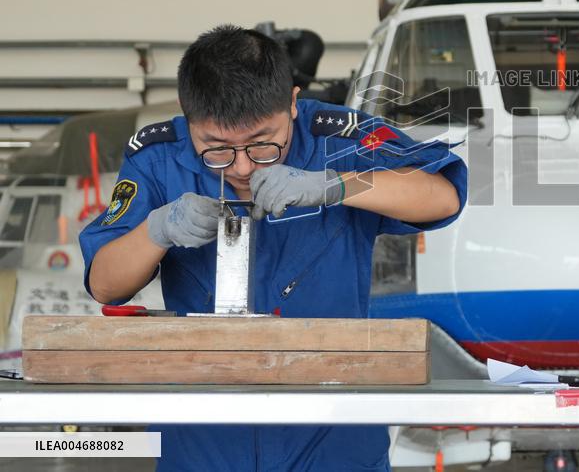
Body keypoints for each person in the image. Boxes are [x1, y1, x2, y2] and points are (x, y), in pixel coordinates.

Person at [79, 25, 468, 471]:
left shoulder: (339, 140)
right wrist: (157, 229)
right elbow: (105, 285)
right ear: (190, 124)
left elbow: (442, 196)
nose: (242, 166)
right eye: (217, 149)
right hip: (204, 435)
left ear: (294, 105)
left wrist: (336, 185)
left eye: (263, 143)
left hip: (332, 432)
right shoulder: (158, 157)